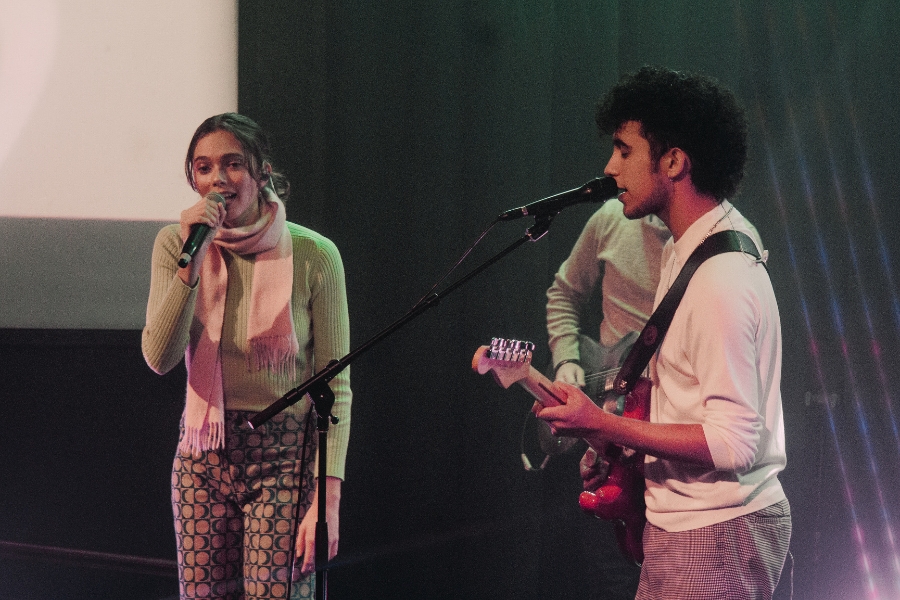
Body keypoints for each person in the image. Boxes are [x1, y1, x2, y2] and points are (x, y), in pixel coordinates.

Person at [534, 66, 790, 600]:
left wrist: (604, 421)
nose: (609, 167)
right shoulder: (692, 246)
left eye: (624, 150)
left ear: (673, 160)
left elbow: (734, 440)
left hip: (715, 534)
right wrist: (607, 435)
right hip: (686, 528)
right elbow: (685, 400)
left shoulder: (721, 276)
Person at [142, 113, 351, 600]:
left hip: (282, 456)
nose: (218, 179)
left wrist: (328, 501)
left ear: (262, 174)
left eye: (233, 164)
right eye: (204, 167)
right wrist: (190, 269)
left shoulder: (314, 254)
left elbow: (335, 384)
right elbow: (159, 357)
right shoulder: (176, 244)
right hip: (201, 456)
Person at [539, 197, 669, 599]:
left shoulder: (707, 241)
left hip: (666, 426)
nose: (612, 167)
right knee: (610, 575)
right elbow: (563, 293)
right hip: (609, 427)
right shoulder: (613, 217)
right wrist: (566, 362)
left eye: (624, 149)